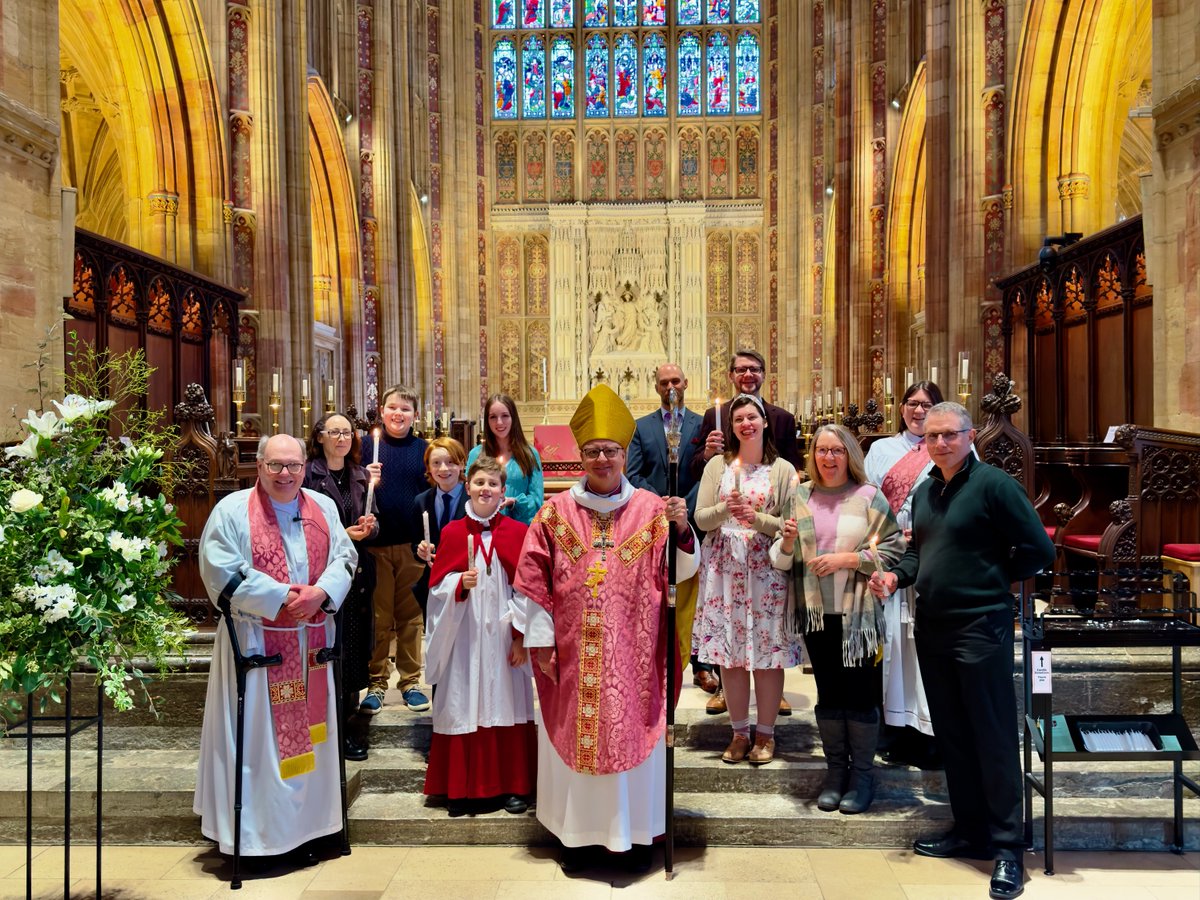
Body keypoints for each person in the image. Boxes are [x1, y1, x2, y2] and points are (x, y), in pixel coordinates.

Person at [869, 402, 1056, 900]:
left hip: (981, 628)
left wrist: (990, 578)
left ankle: (1007, 849)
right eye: (932, 436)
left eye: (950, 435)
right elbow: (917, 550)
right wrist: (895, 575)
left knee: (991, 735)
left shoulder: (995, 485)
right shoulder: (927, 489)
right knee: (953, 734)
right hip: (933, 627)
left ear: (970, 436)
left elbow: (1040, 549)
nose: (940, 444)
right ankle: (969, 829)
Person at [512, 383, 698, 873]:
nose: (601, 460)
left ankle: (633, 832)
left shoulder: (654, 509)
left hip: (635, 655)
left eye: (610, 451)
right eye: (592, 451)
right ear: (581, 455)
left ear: (623, 455)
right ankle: (578, 834)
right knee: (575, 731)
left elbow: (681, 573)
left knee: (631, 728)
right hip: (571, 655)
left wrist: (682, 530)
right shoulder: (554, 514)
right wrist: (541, 640)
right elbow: (532, 580)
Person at [194, 434, 357, 860]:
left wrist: (321, 593)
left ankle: (311, 830)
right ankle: (260, 839)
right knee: (260, 745)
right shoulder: (230, 512)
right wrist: (283, 598)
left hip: (312, 646)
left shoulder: (322, 508)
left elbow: (345, 558)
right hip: (258, 646)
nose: (285, 475)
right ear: (259, 465)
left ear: (306, 466)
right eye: (275, 466)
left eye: (293, 466)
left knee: (311, 740)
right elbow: (219, 570)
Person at [773, 423, 905, 814]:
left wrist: (849, 559)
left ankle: (862, 776)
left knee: (860, 695)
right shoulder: (800, 496)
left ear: (850, 455)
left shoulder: (869, 496)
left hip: (858, 616)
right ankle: (836, 773)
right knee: (829, 694)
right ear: (812, 455)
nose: (828, 458)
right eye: (821, 450)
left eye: (836, 451)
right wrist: (786, 542)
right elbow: (781, 557)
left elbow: (894, 549)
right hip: (816, 612)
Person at [423, 455, 537, 817]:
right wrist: (459, 583)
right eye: (479, 483)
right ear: (467, 486)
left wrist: (521, 637)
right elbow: (436, 590)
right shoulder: (453, 533)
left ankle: (515, 786)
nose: (485, 489)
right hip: (465, 638)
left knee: (507, 702)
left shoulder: (518, 533)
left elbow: (529, 592)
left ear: (504, 492)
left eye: (492, 484)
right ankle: (460, 788)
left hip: (504, 640)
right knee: (463, 700)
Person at [692, 393, 799, 766]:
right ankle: (738, 733)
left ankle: (766, 735)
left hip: (766, 571)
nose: (745, 424)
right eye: (738, 419)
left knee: (767, 656)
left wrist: (757, 520)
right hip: (725, 569)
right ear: (732, 426)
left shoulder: (783, 469)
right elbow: (701, 517)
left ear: (765, 421)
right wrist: (727, 509)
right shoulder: (717, 467)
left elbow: (791, 526)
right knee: (731, 655)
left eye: (752, 417)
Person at [863, 381, 944, 769]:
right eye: (912, 403)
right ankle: (894, 730)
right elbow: (867, 498)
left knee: (924, 646)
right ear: (901, 408)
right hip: (893, 556)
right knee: (892, 646)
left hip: (931, 558)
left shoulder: (949, 444)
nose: (918, 410)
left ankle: (930, 734)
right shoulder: (881, 450)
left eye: (926, 404)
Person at [625, 363, 716, 694]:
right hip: (653, 522)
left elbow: (710, 472)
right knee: (660, 591)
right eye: (664, 382)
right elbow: (633, 474)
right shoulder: (640, 427)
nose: (670, 386)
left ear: (686, 383)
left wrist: (685, 508)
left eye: (675, 380)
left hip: (694, 519)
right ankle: (662, 659)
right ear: (656, 387)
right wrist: (658, 505)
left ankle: (702, 663)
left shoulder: (702, 425)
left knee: (700, 593)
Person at [303, 413, 379, 762]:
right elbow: (301, 526)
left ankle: (348, 726)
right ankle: (320, 725)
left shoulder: (361, 475)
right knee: (326, 649)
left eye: (347, 432)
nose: (342, 438)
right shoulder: (306, 475)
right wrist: (342, 536)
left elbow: (373, 523)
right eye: (334, 432)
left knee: (352, 649)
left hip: (358, 573)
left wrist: (369, 526)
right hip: (323, 572)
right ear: (319, 437)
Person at [361, 385, 430, 714]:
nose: (398, 414)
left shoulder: (423, 450)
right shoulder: (365, 447)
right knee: (379, 617)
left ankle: (411, 681)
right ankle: (376, 682)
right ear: (382, 412)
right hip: (376, 545)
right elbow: (353, 490)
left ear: (415, 415)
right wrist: (364, 475)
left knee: (410, 618)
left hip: (411, 545)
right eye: (392, 408)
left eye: (405, 408)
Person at [689, 348, 801, 481]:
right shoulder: (714, 415)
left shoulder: (783, 419)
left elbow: (793, 471)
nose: (748, 374)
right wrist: (707, 454)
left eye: (754, 369)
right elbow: (695, 472)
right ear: (730, 376)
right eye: (741, 370)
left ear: (764, 375)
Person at [412, 437, 470, 620]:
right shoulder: (421, 501)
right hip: (433, 584)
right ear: (428, 468)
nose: (443, 469)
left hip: (465, 584)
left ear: (462, 464)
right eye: (436, 463)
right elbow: (415, 543)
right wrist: (420, 550)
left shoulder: (473, 501)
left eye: (451, 462)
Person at [467, 393, 544, 526]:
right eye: (493, 417)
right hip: (485, 526)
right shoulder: (476, 454)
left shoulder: (530, 454)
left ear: (513, 417)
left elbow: (537, 499)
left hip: (519, 526)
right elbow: (468, 494)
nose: (499, 422)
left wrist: (515, 503)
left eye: (505, 416)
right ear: (487, 421)